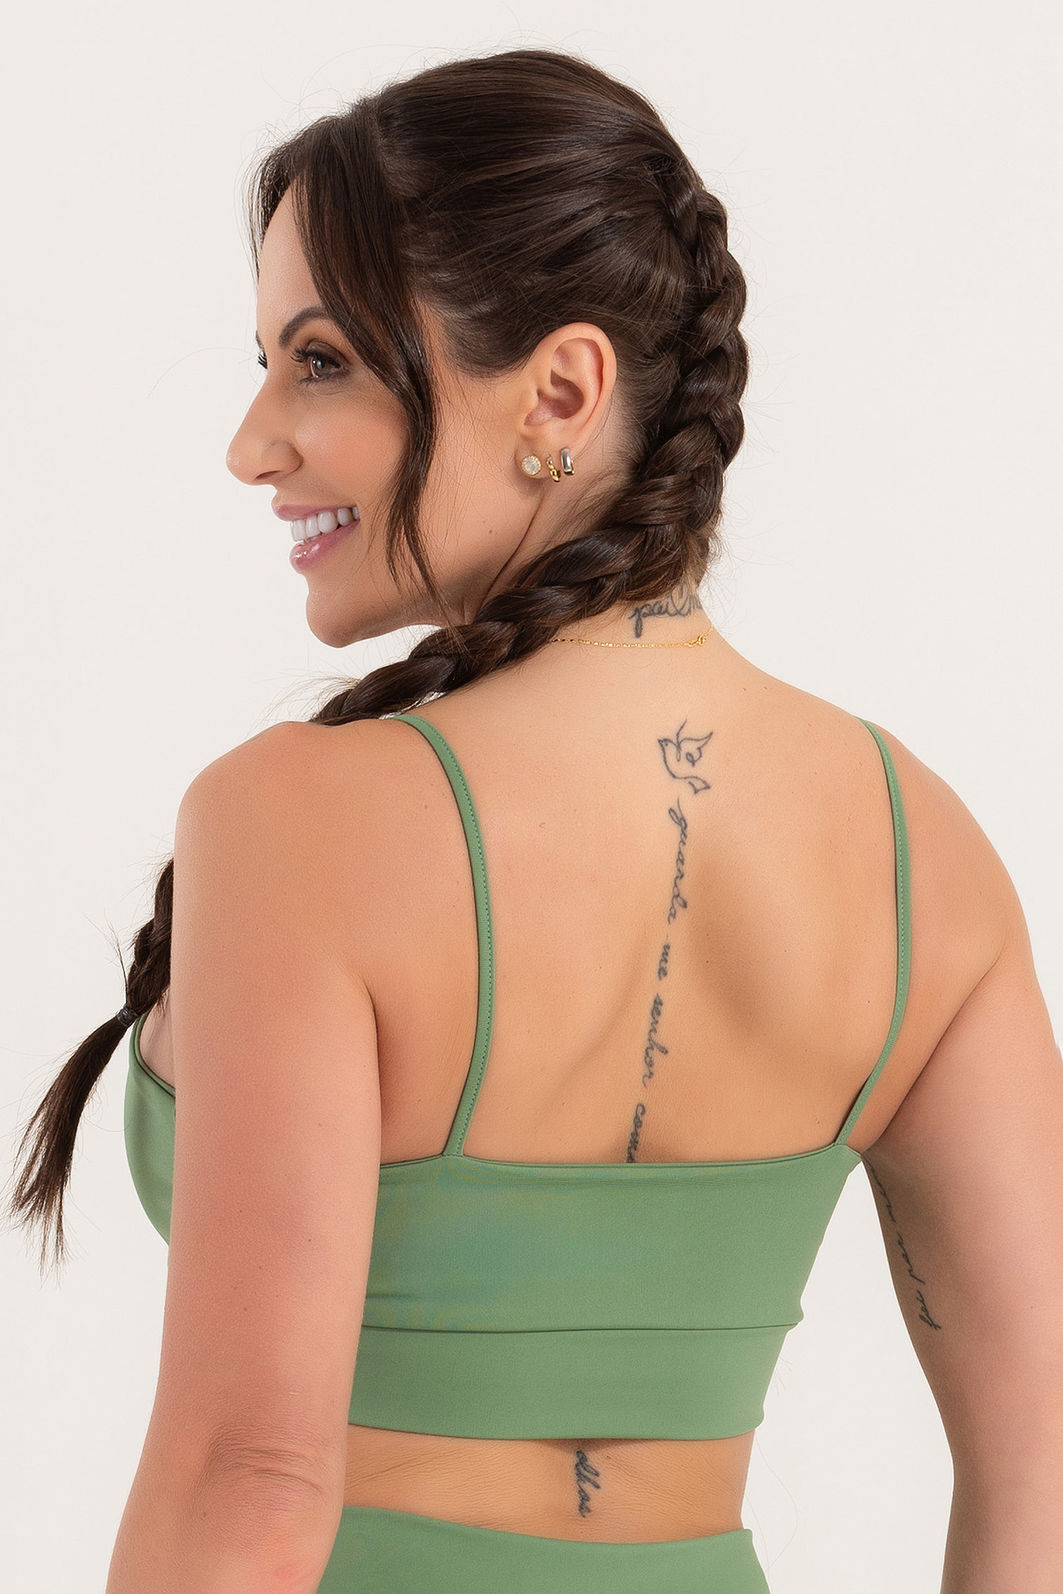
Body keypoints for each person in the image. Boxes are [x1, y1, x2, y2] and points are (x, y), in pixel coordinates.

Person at [8, 44, 1063, 1594]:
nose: (253, 441)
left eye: (321, 361)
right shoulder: (924, 854)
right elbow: (1044, 1478)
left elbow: (254, 1481)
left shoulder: (301, 821)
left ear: (561, 391)